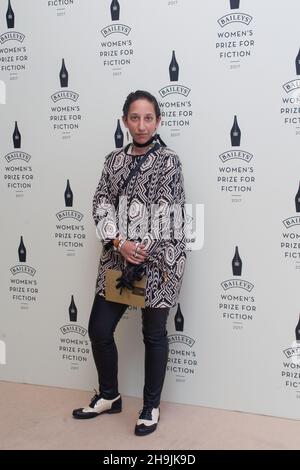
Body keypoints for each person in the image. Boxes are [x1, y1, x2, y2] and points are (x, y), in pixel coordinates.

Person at [72, 90, 186, 436]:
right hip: (117, 259)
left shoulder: (169, 161)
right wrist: (121, 243)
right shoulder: (112, 161)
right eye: (134, 117)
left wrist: (141, 249)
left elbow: (169, 212)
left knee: (153, 334)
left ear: (158, 121)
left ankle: (150, 407)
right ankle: (109, 395)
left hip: (160, 263)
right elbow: (100, 203)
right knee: (98, 330)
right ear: (125, 121)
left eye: (148, 117)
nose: (141, 124)